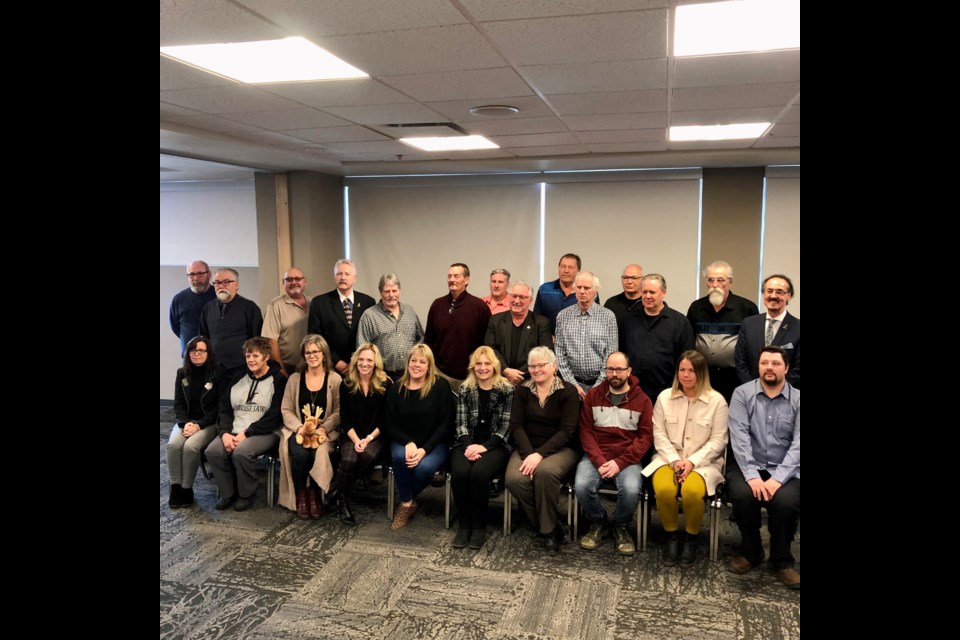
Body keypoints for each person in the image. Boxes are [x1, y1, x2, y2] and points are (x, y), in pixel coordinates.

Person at [644, 350, 728, 566]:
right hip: (667, 459)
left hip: (703, 463)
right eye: (682, 369)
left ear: (702, 373)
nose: (686, 375)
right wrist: (674, 460)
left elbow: (719, 440)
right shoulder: (664, 397)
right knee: (663, 489)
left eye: (692, 370)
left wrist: (692, 462)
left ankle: (691, 538)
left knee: (692, 492)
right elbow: (658, 434)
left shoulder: (717, 401)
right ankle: (671, 535)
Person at [727, 346, 800, 589]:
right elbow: (739, 438)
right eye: (764, 363)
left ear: (786, 368)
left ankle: (781, 559)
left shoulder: (799, 400)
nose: (769, 367)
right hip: (750, 464)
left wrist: (777, 479)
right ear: (758, 366)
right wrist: (752, 475)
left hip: (786, 469)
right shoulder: (741, 394)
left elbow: (799, 446)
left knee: (787, 502)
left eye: (775, 363)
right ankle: (751, 551)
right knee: (742, 495)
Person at [575, 352, 653, 556]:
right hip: (597, 455)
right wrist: (599, 460)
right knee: (582, 486)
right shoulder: (593, 395)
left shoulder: (642, 400)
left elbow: (645, 437)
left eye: (619, 369)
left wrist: (620, 462)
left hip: (628, 458)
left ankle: (621, 525)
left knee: (630, 489)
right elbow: (586, 431)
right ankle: (598, 522)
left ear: (629, 371)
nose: (614, 374)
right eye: (610, 369)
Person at [505, 346, 580, 554]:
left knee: (545, 472)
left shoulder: (568, 391)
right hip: (528, 447)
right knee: (514, 479)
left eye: (541, 365)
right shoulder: (523, 390)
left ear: (554, 366)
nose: (536, 370)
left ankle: (546, 533)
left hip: (561, 449)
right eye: (532, 366)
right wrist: (529, 454)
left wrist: (539, 455)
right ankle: (553, 523)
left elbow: (567, 431)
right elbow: (516, 426)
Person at [205, 337, 285, 511]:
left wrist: (246, 433)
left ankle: (246, 494)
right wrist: (225, 433)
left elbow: (274, 416)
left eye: (256, 355)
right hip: (234, 429)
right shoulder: (237, 378)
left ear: (266, 357)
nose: (251, 359)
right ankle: (228, 493)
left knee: (241, 452)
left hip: (265, 432)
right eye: (248, 355)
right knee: (212, 451)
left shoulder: (279, 380)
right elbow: (224, 409)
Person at [451, 346, 515, 550]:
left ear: (494, 366)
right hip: (466, 442)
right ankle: (464, 523)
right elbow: (460, 423)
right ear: (473, 366)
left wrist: (483, 447)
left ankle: (478, 526)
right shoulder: (465, 388)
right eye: (478, 363)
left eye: (487, 363)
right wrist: (469, 446)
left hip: (495, 445)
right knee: (460, 471)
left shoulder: (507, 390)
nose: (482, 368)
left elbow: (506, 427)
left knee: (478, 473)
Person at [384, 344, 454, 530]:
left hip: (435, 443)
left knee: (424, 468)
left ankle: (405, 496)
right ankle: (407, 503)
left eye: (422, 362)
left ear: (429, 366)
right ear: (407, 363)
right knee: (401, 457)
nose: (417, 365)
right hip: (404, 441)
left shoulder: (440, 386)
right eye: (413, 360)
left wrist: (424, 449)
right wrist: (408, 442)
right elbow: (390, 423)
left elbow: (446, 424)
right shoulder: (396, 388)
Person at [278, 335, 342, 520]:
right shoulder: (295, 379)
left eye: (316, 351)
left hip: (324, 433)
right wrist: (299, 428)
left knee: (317, 452)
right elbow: (286, 409)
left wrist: (324, 428)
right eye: (308, 352)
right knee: (300, 453)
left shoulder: (335, 379)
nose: (312, 355)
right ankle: (301, 495)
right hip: (298, 431)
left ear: (324, 354)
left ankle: (314, 494)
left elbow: (339, 411)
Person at [333, 343, 393, 525]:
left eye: (369, 360)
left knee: (366, 455)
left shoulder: (385, 384)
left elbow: (385, 420)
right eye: (361, 359)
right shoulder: (347, 384)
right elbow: (345, 418)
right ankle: (343, 502)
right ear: (355, 361)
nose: (364, 363)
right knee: (350, 460)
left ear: (376, 363)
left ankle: (337, 492)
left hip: (376, 436)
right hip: (352, 434)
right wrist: (357, 439)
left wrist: (367, 439)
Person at [686, 260, 759, 402]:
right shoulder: (696, 307)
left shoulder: (747, 308)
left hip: (735, 378)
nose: (715, 285)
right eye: (711, 280)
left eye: (720, 280)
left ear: (730, 282)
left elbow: (753, 346)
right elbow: (689, 341)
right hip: (703, 377)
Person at [167, 336, 223, 508]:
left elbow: (219, 408)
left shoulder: (218, 373)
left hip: (208, 423)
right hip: (186, 422)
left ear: (208, 353)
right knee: (174, 445)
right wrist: (185, 424)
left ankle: (186, 488)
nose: (197, 353)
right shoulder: (182, 373)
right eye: (193, 350)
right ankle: (176, 488)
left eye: (201, 350)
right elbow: (178, 404)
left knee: (191, 447)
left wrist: (199, 425)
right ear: (188, 352)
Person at [622, 274, 695, 403]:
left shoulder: (680, 322)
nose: (647, 296)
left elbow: (687, 358)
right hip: (633, 392)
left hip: (668, 393)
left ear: (663, 292)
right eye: (644, 292)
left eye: (652, 292)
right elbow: (623, 353)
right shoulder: (629, 320)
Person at [424, 263, 491, 387]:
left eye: (456, 276)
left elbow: (486, 344)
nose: (452, 280)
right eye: (449, 276)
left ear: (466, 280)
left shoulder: (479, 307)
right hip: (440, 374)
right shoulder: (437, 305)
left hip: (471, 375)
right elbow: (429, 340)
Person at [555, 272, 618, 399]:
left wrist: (597, 386)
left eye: (587, 288)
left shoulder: (608, 316)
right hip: (571, 385)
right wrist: (573, 385)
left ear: (595, 291)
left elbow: (611, 354)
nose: (582, 291)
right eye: (579, 287)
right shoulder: (563, 316)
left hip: (601, 384)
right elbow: (560, 353)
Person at [308, 259, 376, 376]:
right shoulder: (319, 303)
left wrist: (356, 360)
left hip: (362, 366)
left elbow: (372, 336)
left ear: (355, 278)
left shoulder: (368, 302)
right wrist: (336, 361)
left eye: (347, 274)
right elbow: (315, 337)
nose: (343, 277)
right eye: (339, 274)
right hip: (330, 367)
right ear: (334, 277)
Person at [735, 274, 800, 389]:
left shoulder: (798, 327)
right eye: (769, 291)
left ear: (789, 296)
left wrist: (776, 389)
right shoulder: (748, 324)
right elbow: (740, 361)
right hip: (751, 393)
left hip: (786, 396)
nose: (773, 296)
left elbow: (798, 369)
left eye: (779, 292)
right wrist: (753, 388)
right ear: (764, 294)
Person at [356, 273, 424, 382]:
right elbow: (362, 347)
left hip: (409, 375)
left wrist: (417, 363)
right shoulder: (369, 315)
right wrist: (376, 373)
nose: (391, 295)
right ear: (380, 292)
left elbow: (421, 338)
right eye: (387, 291)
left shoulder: (409, 312)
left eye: (394, 291)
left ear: (399, 290)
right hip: (381, 376)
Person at [199, 268, 263, 379]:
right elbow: (203, 338)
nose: (221, 286)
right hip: (214, 367)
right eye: (217, 282)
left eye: (226, 282)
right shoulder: (208, 308)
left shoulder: (249, 307)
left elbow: (256, 340)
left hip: (241, 368)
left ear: (236, 285)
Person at [484, 281, 551, 385]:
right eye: (513, 296)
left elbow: (544, 352)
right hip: (500, 379)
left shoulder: (541, 323)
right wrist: (506, 370)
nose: (517, 300)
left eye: (522, 297)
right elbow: (490, 349)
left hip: (531, 380)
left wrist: (519, 374)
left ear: (530, 301)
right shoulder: (495, 320)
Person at [262, 267, 311, 377]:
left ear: (305, 281)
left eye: (297, 279)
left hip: (312, 366)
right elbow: (271, 340)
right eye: (289, 279)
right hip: (288, 367)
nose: (294, 282)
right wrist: (281, 369)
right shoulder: (275, 305)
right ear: (283, 283)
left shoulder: (314, 303)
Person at [534, 253, 592, 335]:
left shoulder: (587, 292)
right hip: (549, 343)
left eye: (571, 267)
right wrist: (547, 337)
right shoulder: (545, 289)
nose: (566, 271)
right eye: (563, 266)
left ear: (578, 270)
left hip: (578, 344)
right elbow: (537, 319)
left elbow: (594, 320)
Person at [169, 260, 217, 355]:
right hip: (189, 357)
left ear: (209, 274)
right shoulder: (179, 299)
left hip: (216, 356)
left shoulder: (218, 296)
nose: (195, 278)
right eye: (191, 275)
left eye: (200, 274)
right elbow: (176, 327)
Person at [604, 263, 644, 334]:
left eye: (634, 278)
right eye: (625, 277)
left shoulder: (647, 304)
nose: (629, 282)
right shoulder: (611, 303)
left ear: (642, 280)